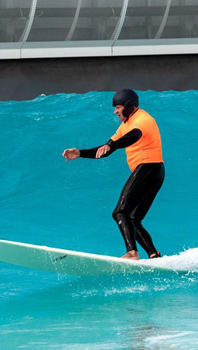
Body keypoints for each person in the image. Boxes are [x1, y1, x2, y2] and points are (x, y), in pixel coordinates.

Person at [62, 89, 165, 260]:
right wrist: (80, 153)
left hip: (148, 167)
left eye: (118, 107)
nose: (115, 112)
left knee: (120, 212)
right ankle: (154, 255)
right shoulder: (125, 125)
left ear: (129, 106)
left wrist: (114, 145)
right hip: (155, 172)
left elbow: (134, 136)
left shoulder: (143, 120)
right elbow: (106, 149)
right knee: (133, 218)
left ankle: (132, 252)